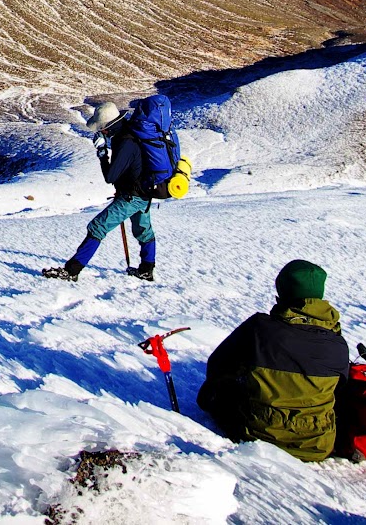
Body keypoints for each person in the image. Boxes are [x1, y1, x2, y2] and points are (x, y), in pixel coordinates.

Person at [196, 260, 349, 462]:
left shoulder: (259, 328)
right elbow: (341, 391)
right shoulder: (337, 342)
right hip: (318, 444)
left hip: (258, 435)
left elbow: (218, 365)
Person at [41, 101, 158, 282]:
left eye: (101, 129)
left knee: (98, 227)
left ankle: (72, 271)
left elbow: (110, 176)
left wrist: (102, 152)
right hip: (143, 193)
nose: (100, 132)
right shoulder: (129, 134)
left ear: (107, 127)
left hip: (131, 196)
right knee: (144, 231)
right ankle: (146, 270)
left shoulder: (124, 142)